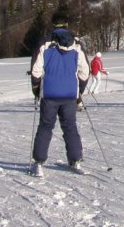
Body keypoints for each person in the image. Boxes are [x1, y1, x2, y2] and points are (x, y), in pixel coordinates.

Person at [29, 26, 90, 177]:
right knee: (70, 127)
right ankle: (75, 160)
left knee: (45, 127)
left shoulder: (45, 44)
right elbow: (85, 72)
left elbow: (36, 71)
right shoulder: (76, 46)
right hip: (69, 94)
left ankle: (38, 162)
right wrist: (79, 91)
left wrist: (36, 90)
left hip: (49, 94)